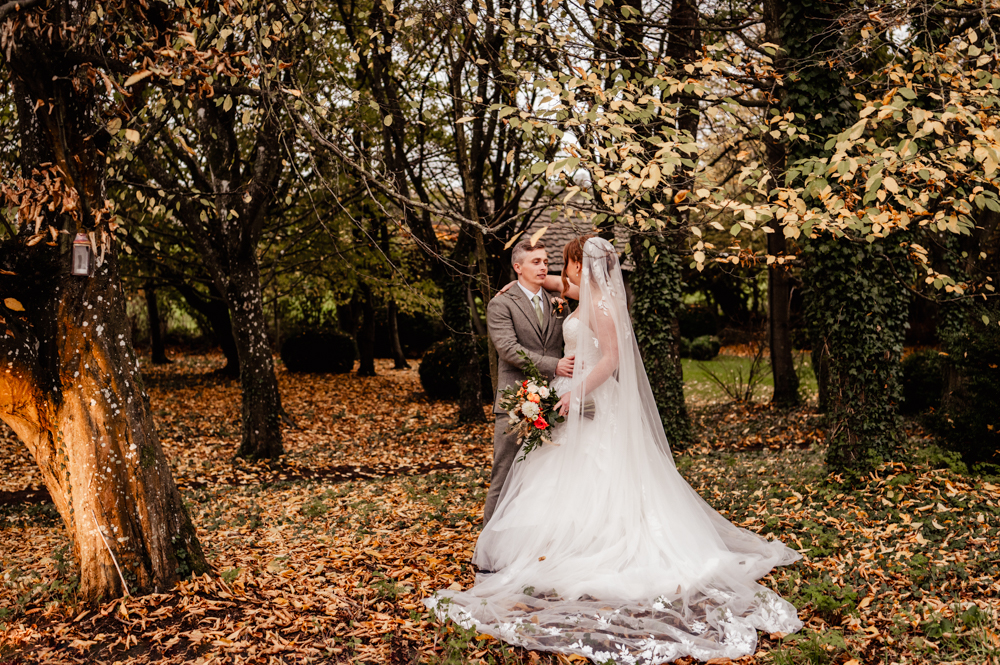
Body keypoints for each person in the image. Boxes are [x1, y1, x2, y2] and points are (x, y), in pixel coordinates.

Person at [425, 235, 803, 664]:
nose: (559, 270)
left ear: (578, 266)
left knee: (595, 475)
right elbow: (553, 285)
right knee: (551, 474)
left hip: (590, 397)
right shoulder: (580, 292)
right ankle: (535, 548)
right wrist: (519, 285)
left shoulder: (602, 304)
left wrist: (575, 392)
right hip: (569, 395)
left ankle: (581, 549)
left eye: (564, 263)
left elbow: (611, 360)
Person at [483, 238, 574, 524]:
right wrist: (554, 365)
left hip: (554, 400)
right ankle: (489, 548)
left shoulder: (558, 304)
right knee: (505, 473)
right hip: (515, 402)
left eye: (546, 261)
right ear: (517, 267)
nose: (544, 266)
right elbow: (508, 349)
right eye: (536, 262)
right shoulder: (501, 304)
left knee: (543, 478)